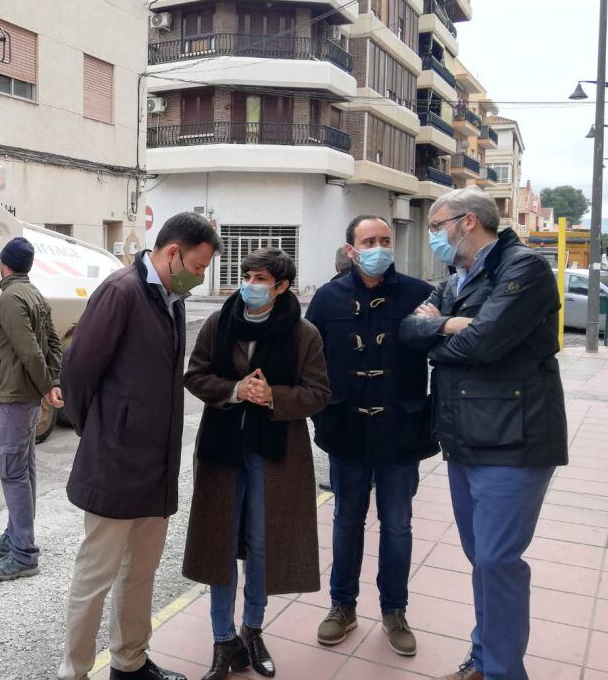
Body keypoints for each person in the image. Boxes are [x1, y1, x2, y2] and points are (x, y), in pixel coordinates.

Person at [399, 188, 568, 680]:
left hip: (514, 440)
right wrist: (450, 326)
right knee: (482, 561)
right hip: (464, 437)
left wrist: (442, 335)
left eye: (436, 225)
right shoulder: (457, 278)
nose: (433, 235)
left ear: (467, 222)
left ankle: (502, 672)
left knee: (497, 561)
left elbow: (487, 341)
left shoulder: (523, 269)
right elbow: (410, 331)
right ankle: (484, 658)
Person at [57, 212, 221, 680]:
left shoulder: (169, 298)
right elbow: (78, 371)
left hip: (155, 464)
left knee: (141, 573)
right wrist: (104, 431)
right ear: (172, 253)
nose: (201, 275)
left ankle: (130, 662)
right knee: (96, 578)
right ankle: (75, 672)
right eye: (198, 264)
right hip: (114, 464)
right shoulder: (122, 291)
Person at [183, 248, 330, 679]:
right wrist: (234, 390)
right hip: (222, 451)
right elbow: (195, 375)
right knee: (221, 544)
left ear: (282, 286)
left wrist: (274, 397)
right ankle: (222, 638)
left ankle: (252, 629)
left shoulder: (303, 333)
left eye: (261, 278)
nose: (250, 284)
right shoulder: (219, 321)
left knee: (264, 544)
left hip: (276, 454)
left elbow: (319, 393)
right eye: (247, 275)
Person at [305, 216, 436, 656]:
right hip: (346, 429)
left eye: (385, 239)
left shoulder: (420, 295)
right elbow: (308, 361)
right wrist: (319, 412)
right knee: (346, 521)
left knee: (398, 525)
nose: (378, 246)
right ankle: (342, 606)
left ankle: (394, 610)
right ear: (351, 249)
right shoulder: (327, 298)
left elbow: (445, 356)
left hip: (401, 430)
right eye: (369, 241)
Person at [0, 236, 64, 581]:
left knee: (12, 470)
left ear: (4, 264)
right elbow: (54, 342)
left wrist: (48, 387)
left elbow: (30, 350)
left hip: (14, 395)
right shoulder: (34, 294)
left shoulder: (11, 297)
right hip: (23, 394)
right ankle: (15, 535)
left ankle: (24, 553)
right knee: (23, 468)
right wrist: (52, 381)